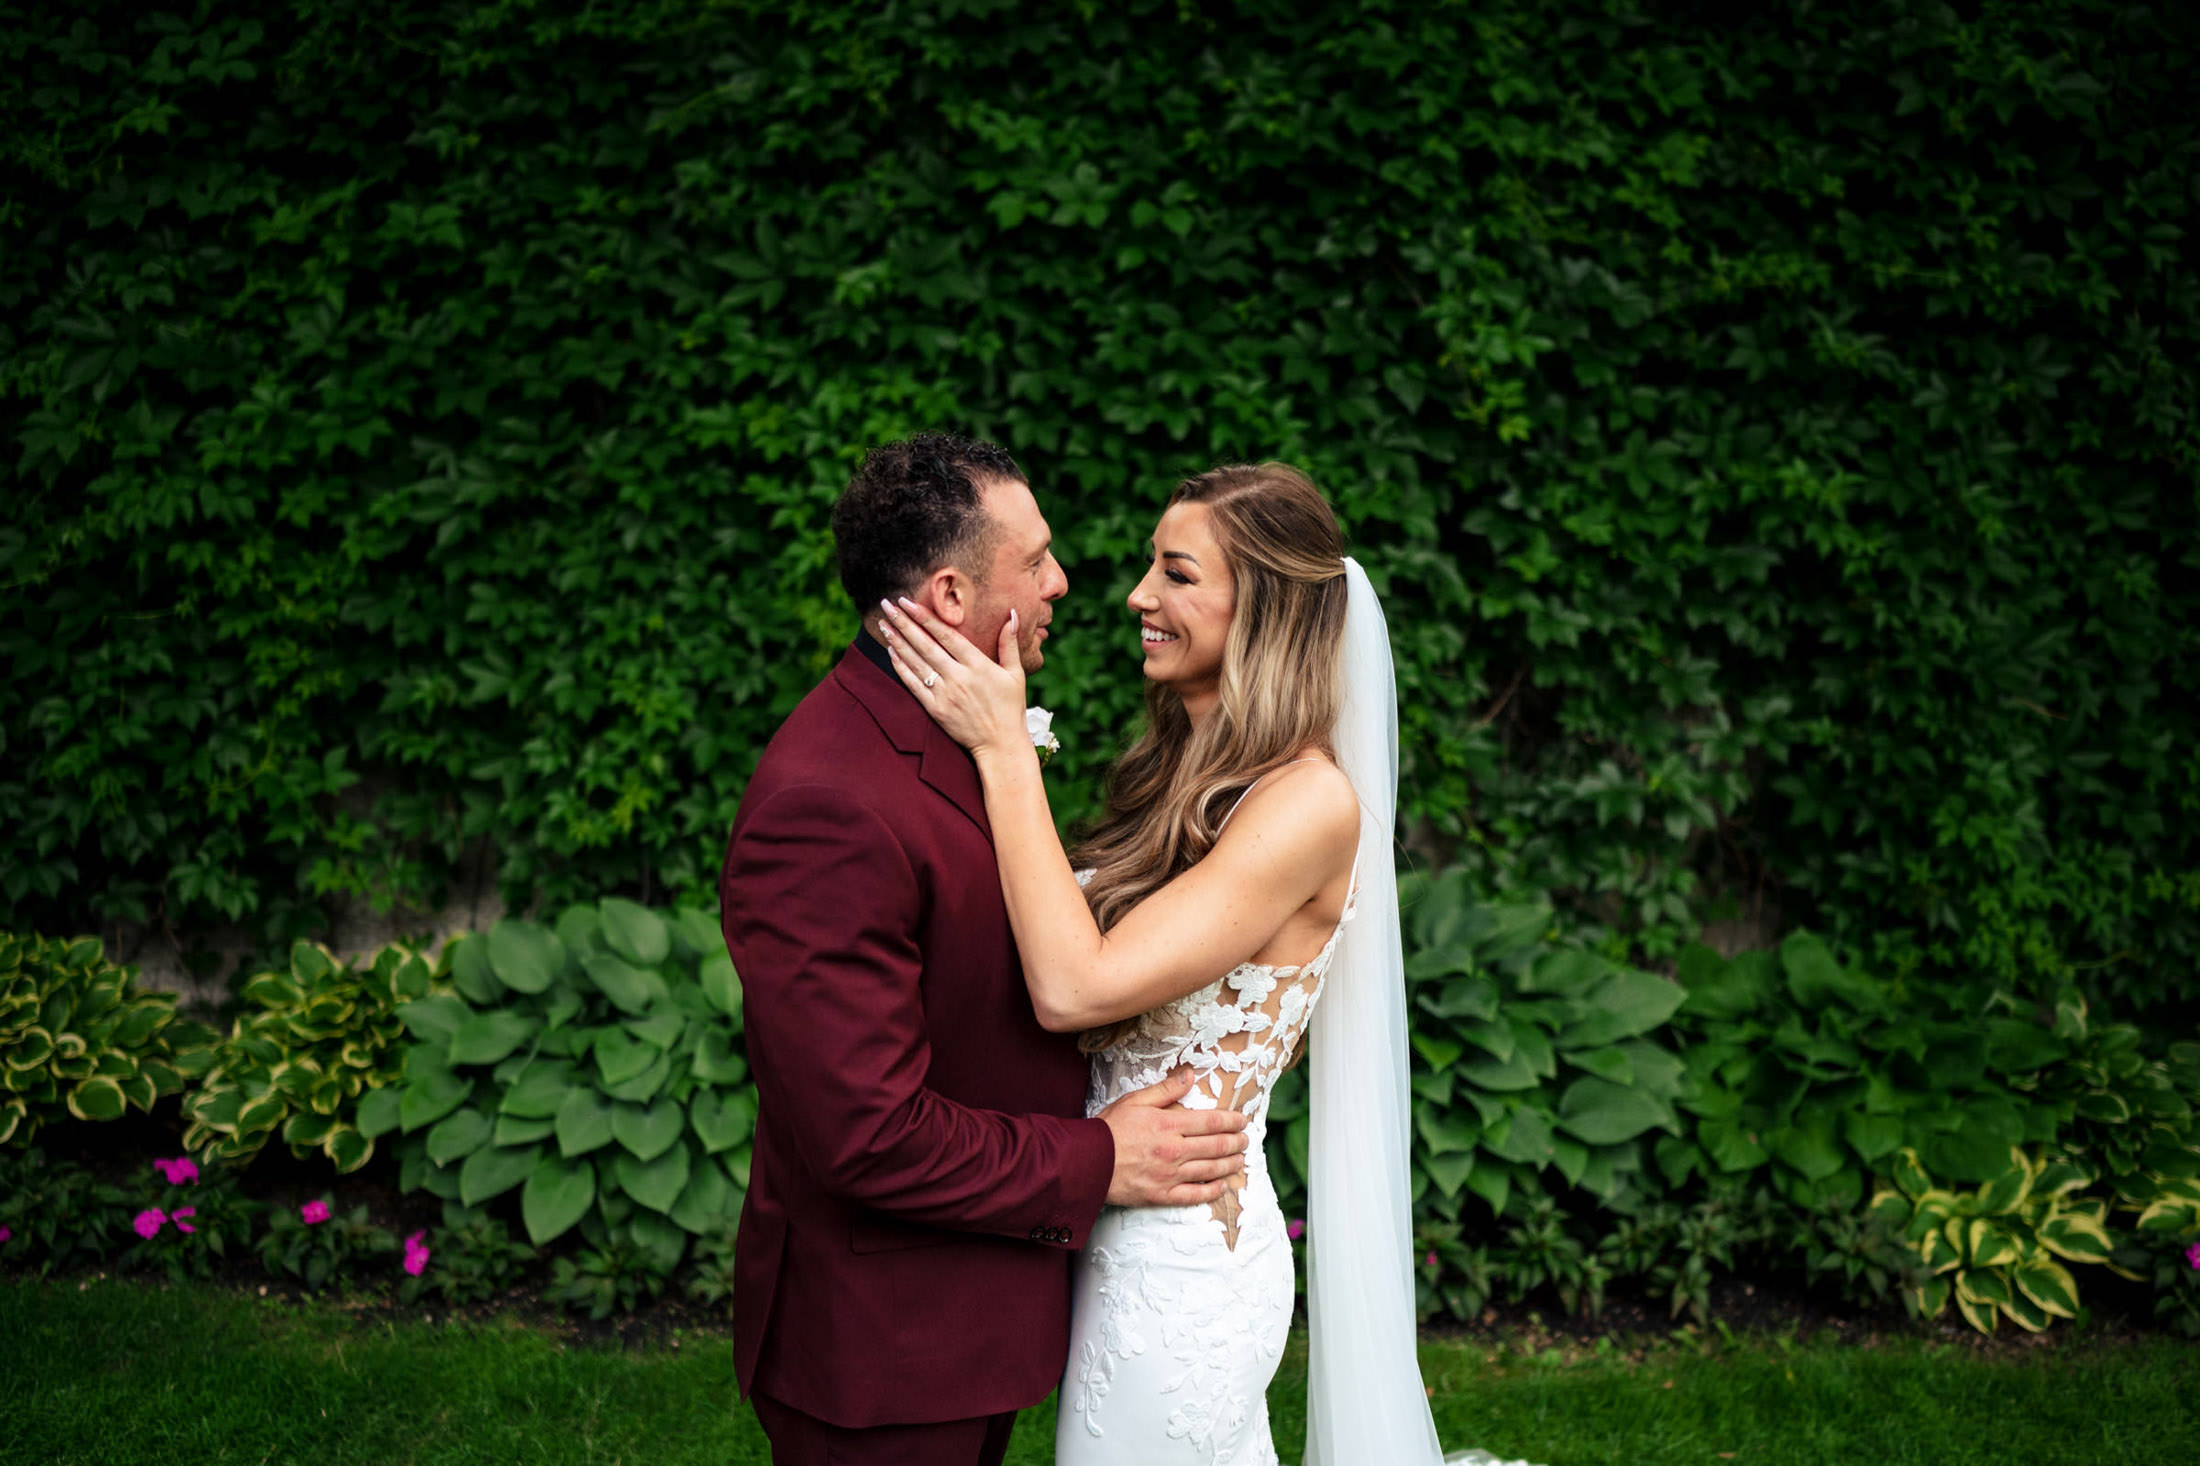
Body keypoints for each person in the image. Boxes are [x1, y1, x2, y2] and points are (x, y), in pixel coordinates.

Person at [877, 461, 1472, 1466]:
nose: (1137, 595)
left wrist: (1004, 752)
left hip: (1183, 1263)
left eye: (1177, 572)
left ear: (1266, 607)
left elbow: (1076, 985)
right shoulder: (1182, 772)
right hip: (1112, 1220)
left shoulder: (1306, 805)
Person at [718, 433, 1255, 1466]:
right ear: (953, 594)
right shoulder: (825, 806)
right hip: (883, 1347)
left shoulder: (971, 727)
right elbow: (867, 1135)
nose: (1062, 581)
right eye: (1035, 559)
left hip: (965, 1313)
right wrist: (1103, 1159)